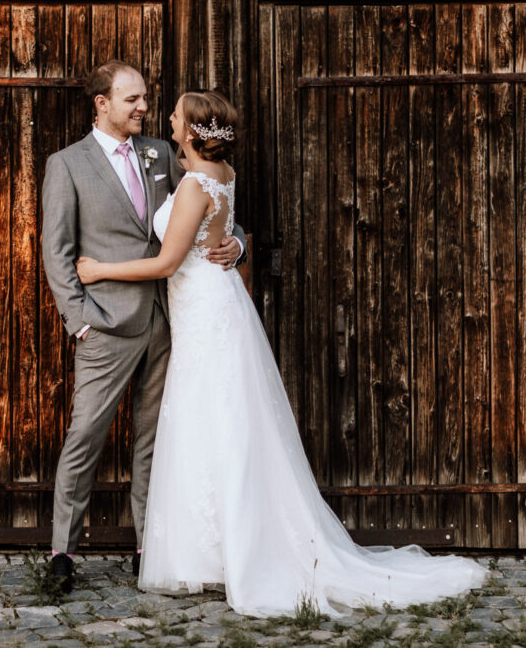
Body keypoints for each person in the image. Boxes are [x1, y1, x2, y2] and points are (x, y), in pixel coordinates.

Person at [75, 90, 488, 617]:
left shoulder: (195, 186)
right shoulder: (220, 176)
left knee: (216, 424)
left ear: (193, 129)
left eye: (176, 114)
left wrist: (98, 270)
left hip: (205, 314)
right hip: (214, 308)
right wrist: (236, 246)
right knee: (222, 425)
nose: (168, 119)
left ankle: (228, 556)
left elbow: (166, 263)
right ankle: (216, 553)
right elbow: (217, 235)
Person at [40, 61, 248, 593]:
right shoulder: (67, 165)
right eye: (131, 99)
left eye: (146, 99)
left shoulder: (163, 153)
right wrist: (78, 322)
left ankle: (148, 548)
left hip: (167, 321)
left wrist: (238, 243)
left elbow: (211, 205)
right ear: (101, 103)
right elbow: (57, 252)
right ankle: (63, 550)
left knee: (155, 442)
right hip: (106, 327)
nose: (144, 108)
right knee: (84, 437)